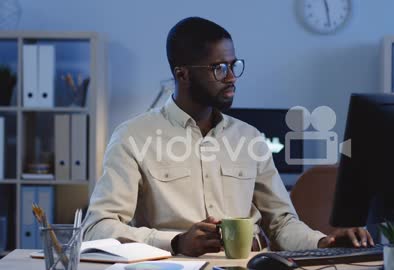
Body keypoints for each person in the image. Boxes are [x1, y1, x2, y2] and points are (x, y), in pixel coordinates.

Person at [83, 16, 374, 257]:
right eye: (218, 68)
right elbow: (98, 227)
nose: (232, 77)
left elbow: (282, 224)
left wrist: (324, 243)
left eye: (233, 65)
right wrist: (175, 241)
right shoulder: (132, 137)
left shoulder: (249, 138)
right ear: (182, 74)